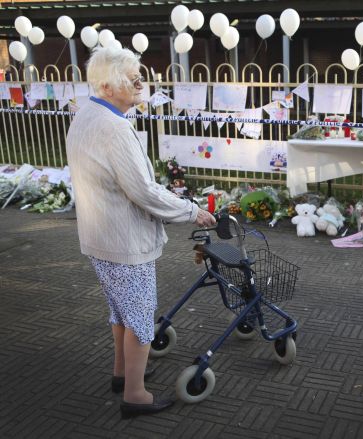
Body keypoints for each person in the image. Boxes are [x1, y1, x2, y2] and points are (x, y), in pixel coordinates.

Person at [66, 47, 216, 419]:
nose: (139, 83)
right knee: (139, 319)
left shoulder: (86, 113)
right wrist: (191, 211)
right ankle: (135, 395)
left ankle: (122, 374)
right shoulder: (114, 127)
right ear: (105, 85)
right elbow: (143, 191)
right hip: (122, 239)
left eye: (138, 74)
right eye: (129, 78)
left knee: (121, 312)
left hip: (101, 236)